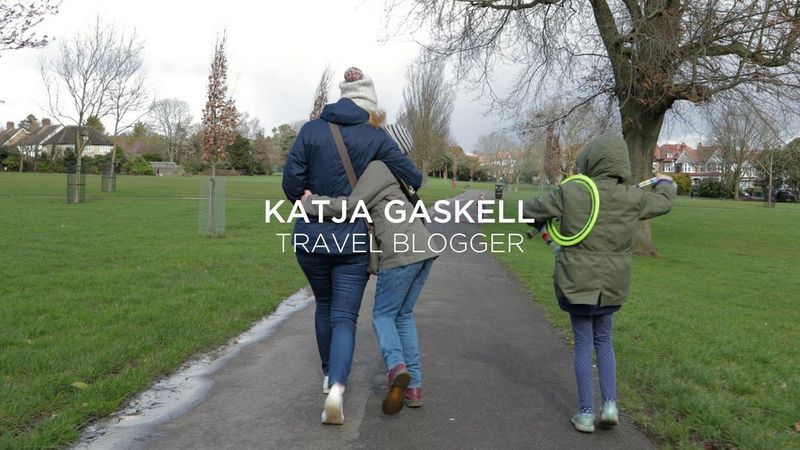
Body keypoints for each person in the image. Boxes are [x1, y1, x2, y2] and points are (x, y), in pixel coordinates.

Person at [282, 67, 422, 425]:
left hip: (311, 236)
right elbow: (414, 177)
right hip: (352, 240)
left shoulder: (311, 130)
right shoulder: (375, 135)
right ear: (367, 104)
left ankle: (328, 373)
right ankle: (338, 391)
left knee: (323, 305)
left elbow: (291, 183)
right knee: (345, 317)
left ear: (341, 97)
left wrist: (308, 197)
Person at [521, 134, 676, 433]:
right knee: (604, 340)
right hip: (612, 286)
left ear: (590, 160)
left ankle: (586, 413)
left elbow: (529, 210)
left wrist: (541, 217)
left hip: (577, 283)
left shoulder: (572, 192)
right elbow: (664, 203)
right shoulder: (632, 196)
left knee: (583, 342)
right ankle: (610, 406)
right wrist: (665, 182)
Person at [301, 129, 435, 416]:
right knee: (403, 316)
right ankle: (414, 389)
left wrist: (310, 202)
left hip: (401, 253)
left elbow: (351, 206)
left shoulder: (378, 167)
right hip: (423, 249)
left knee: (382, 316)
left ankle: (396, 367)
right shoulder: (401, 176)